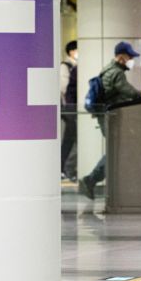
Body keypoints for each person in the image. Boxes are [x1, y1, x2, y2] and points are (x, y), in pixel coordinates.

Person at [78, 41, 141, 199]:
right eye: (129, 57)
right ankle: (91, 180)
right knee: (117, 151)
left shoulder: (108, 70)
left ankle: (95, 181)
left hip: (108, 116)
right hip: (112, 117)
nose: (131, 60)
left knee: (118, 150)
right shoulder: (116, 73)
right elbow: (129, 92)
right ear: (121, 57)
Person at [60, 40, 78, 180]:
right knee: (72, 138)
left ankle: (64, 168)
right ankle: (66, 169)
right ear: (71, 52)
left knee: (70, 139)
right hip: (69, 108)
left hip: (73, 108)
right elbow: (63, 88)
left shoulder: (76, 66)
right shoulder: (65, 66)